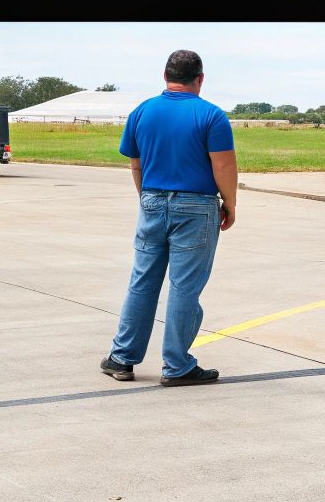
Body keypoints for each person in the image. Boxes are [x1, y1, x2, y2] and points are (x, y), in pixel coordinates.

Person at [100, 50, 238, 387]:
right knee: (184, 286)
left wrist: (148, 200)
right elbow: (223, 166)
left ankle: (122, 357)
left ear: (165, 77)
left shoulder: (142, 112)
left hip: (151, 198)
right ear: (200, 79)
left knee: (143, 280)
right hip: (196, 205)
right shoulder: (211, 116)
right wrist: (230, 204)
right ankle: (177, 365)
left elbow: (136, 164)